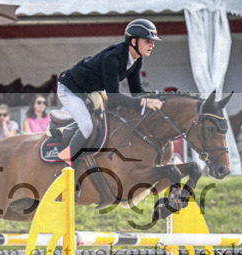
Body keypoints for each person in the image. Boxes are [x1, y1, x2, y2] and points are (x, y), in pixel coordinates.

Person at [55, 18, 164, 162]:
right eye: (147, 41)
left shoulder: (136, 59)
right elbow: (114, 97)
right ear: (133, 41)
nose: (152, 45)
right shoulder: (112, 58)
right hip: (69, 90)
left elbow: (136, 90)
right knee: (87, 127)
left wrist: (155, 98)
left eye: (152, 41)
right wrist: (143, 102)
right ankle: (67, 164)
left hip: (88, 92)